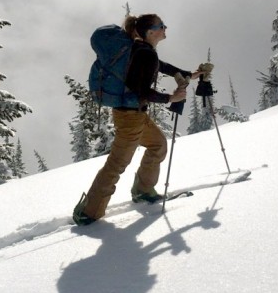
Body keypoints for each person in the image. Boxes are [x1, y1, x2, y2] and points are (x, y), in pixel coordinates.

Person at [73, 13, 203, 226]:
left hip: (133, 114)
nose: (165, 29)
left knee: (158, 145)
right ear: (150, 32)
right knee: (116, 164)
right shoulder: (144, 53)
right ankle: (88, 212)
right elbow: (140, 90)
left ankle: (143, 190)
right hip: (130, 118)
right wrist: (170, 98)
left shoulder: (140, 50)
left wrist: (191, 74)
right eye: (161, 26)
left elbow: (163, 66)